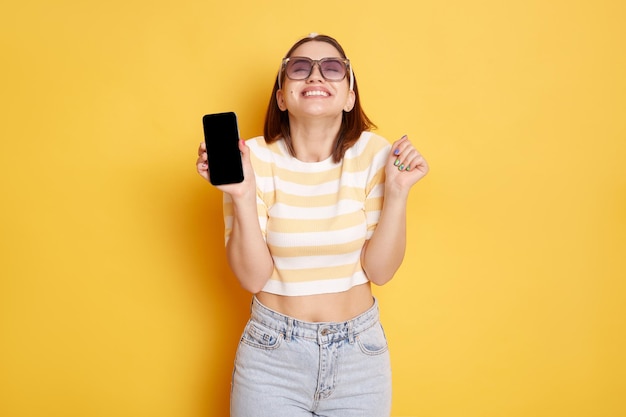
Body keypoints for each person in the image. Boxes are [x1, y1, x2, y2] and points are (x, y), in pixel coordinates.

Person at [196, 33, 429, 417]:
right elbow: (253, 278)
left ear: (350, 95)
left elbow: (380, 271)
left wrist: (400, 191)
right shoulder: (251, 159)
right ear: (281, 97)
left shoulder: (374, 155)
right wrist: (242, 193)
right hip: (272, 359)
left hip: (360, 357)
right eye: (300, 69)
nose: (316, 76)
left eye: (332, 68)